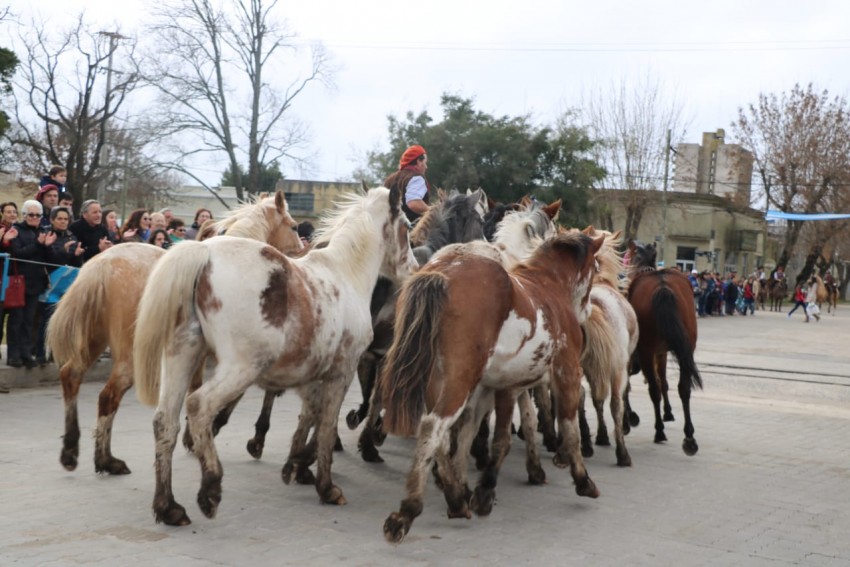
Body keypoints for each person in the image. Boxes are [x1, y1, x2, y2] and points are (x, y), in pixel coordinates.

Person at [35, 206, 84, 365]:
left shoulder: (72, 236)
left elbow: (74, 262)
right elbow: (51, 260)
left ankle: (57, 353)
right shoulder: (47, 234)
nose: (63, 221)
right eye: (59, 219)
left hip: (66, 285)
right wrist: (62, 250)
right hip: (49, 285)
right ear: (52, 220)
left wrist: (76, 256)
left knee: (63, 322)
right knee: (46, 321)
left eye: (65, 219)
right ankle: (41, 353)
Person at [7, 200, 52, 368]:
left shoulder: (43, 231)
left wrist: (47, 246)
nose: (35, 218)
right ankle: (13, 355)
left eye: (38, 215)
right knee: (16, 320)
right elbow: (18, 253)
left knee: (30, 320)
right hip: (20, 282)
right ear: (24, 215)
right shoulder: (17, 231)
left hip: (36, 282)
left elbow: (48, 257)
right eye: (31, 215)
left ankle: (26, 353)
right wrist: (38, 244)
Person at [382, 144, 431, 223]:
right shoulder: (417, 178)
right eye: (425, 162)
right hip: (411, 231)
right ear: (419, 161)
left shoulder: (390, 179)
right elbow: (413, 203)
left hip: (389, 229)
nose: (426, 167)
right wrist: (433, 212)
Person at [0, 202, 19, 361]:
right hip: (1, 280)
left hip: (14, 280)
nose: (12, 214)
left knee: (14, 320)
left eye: (14, 212)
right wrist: (5, 241)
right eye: (8, 212)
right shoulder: (1, 229)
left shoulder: (18, 230)